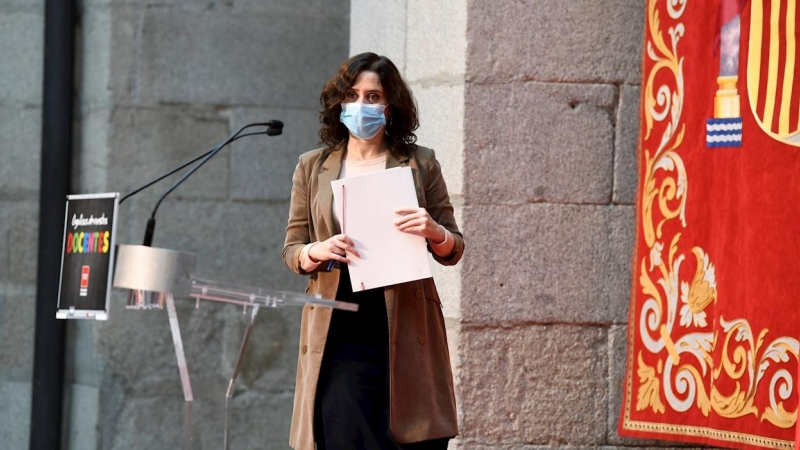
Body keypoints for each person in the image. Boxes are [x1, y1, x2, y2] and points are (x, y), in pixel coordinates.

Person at [282, 52, 464, 450]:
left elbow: (454, 246)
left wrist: (434, 232)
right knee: (344, 430)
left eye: (373, 96)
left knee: (411, 436)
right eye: (353, 95)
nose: (361, 105)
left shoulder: (420, 163)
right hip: (339, 327)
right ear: (338, 103)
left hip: (404, 323)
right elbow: (292, 249)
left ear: (390, 105)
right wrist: (318, 249)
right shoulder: (312, 167)